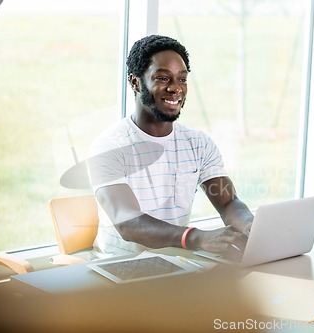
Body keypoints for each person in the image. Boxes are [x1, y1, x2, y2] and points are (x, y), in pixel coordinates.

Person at [89, 35, 253, 256]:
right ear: (135, 82)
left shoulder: (198, 144)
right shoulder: (109, 147)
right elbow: (127, 223)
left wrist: (251, 226)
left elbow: (229, 202)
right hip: (121, 268)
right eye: (163, 78)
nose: (176, 88)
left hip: (178, 263)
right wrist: (197, 237)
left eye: (182, 79)